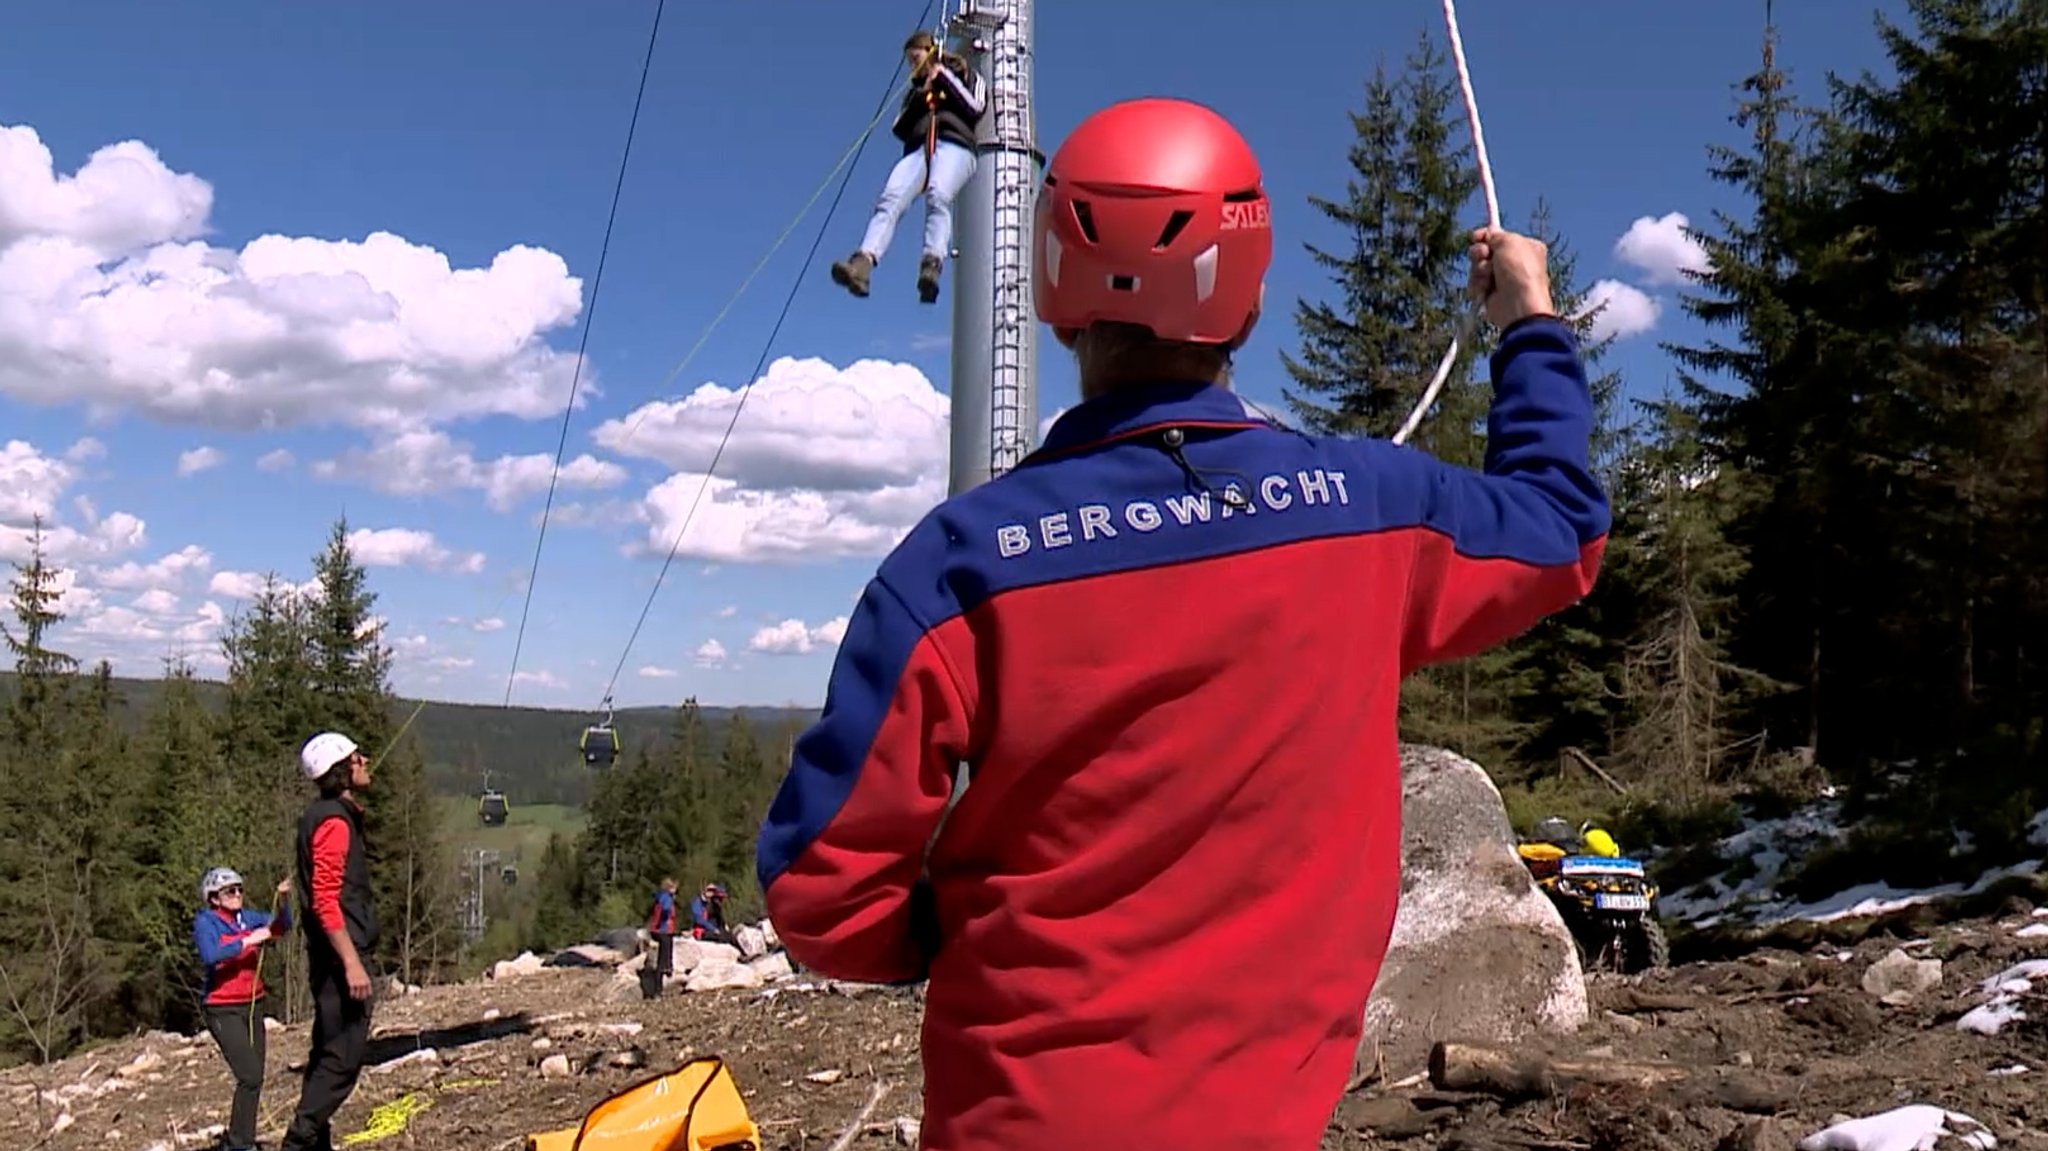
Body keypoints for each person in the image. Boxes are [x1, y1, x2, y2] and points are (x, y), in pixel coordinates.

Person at [756, 96, 1609, 1149]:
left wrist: (946, 929)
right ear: (1245, 306)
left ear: (1058, 304)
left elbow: (818, 891)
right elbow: (1558, 528)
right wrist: (1527, 324)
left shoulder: (956, 564)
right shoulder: (1370, 510)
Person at [829, 29, 986, 304]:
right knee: (890, 199)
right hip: (918, 149)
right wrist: (921, 95)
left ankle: (931, 264)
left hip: (955, 145)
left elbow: (976, 106)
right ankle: (862, 263)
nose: (914, 65)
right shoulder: (914, 91)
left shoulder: (964, 74)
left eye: (916, 58)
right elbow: (898, 127)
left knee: (938, 194)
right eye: (910, 62)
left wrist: (944, 78)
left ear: (930, 52)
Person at [281, 730, 379, 1151]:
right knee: (343, 1056)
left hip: (331, 955)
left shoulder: (324, 815)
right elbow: (325, 901)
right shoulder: (334, 823)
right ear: (343, 770)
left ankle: (313, 1143)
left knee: (326, 1050)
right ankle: (299, 1141)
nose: (366, 761)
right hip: (341, 957)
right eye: (358, 757)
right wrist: (352, 962)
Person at [193, 866, 293, 1151]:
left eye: (239, 889)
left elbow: (280, 926)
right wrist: (248, 940)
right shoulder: (206, 923)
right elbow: (211, 954)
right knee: (248, 1074)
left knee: (255, 1077)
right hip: (222, 1009)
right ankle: (239, 1144)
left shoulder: (245, 917)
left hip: (252, 1004)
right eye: (229, 891)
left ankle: (242, 1140)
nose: (237, 895)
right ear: (214, 898)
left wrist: (283, 901)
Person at [646, 877, 679, 992]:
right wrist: (668, 908)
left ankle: (668, 967)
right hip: (662, 930)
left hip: (662, 930)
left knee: (667, 950)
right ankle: (657, 989)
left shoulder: (660, 896)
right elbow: (665, 909)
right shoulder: (666, 897)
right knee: (662, 959)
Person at [690, 882, 734, 946]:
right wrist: (713, 929)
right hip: (702, 931)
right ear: (704, 890)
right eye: (709, 890)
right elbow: (698, 919)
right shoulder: (697, 902)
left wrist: (724, 925)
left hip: (711, 929)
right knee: (722, 937)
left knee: (730, 936)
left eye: (713, 891)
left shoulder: (711, 903)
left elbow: (718, 917)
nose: (711, 893)